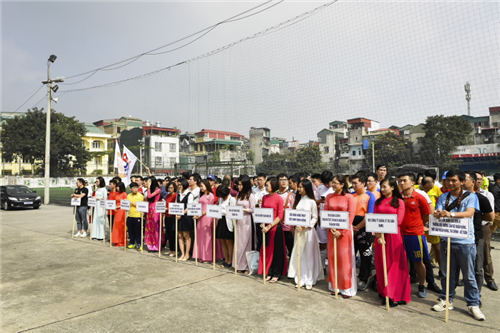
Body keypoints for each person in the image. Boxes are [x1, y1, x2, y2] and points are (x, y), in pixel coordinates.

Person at [432, 169, 485, 321]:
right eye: (448, 180)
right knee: (447, 274)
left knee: (469, 275)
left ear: (462, 181)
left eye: (454, 180)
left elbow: (469, 213)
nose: (450, 183)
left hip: (465, 242)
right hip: (447, 240)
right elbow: (440, 211)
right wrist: (438, 213)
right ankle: (446, 300)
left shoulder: (471, 196)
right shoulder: (444, 196)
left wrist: (451, 214)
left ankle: (473, 304)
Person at [374, 178, 411, 307]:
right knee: (382, 264)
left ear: (393, 187)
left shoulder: (399, 202)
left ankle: (394, 294)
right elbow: (374, 219)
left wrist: (384, 230)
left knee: (394, 265)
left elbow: (399, 221)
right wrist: (378, 235)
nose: (383, 189)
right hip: (380, 237)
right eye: (381, 187)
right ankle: (384, 291)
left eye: (385, 187)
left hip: (394, 237)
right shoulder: (378, 202)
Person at [398, 173, 432, 298]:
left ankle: (422, 285)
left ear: (412, 182)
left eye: (404, 180)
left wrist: (418, 226)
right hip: (401, 234)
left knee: (418, 261)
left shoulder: (420, 197)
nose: (401, 183)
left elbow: (426, 215)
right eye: (400, 181)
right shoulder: (398, 197)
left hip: (416, 235)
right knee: (403, 261)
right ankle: (404, 283)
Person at [287, 179, 324, 290]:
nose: (299, 189)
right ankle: (301, 277)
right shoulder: (297, 201)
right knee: (300, 255)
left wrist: (305, 226)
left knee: (309, 255)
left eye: (301, 187)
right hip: (298, 232)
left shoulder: (311, 202)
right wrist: (295, 226)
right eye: (299, 187)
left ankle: (310, 279)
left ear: (307, 188)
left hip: (308, 232)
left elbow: (315, 218)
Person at [324, 175, 357, 297]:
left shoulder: (349, 197)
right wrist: (331, 227)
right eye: (332, 183)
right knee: (332, 258)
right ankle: (335, 285)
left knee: (344, 259)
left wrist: (341, 231)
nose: (333, 185)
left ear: (342, 184)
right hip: (332, 231)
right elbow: (326, 212)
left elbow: (351, 216)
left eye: (335, 183)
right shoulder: (329, 196)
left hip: (344, 232)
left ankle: (346, 287)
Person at [258, 177, 287, 283]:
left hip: (275, 228)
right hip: (265, 228)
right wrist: (262, 223)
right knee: (267, 250)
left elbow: (280, 216)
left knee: (276, 252)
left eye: (267, 185)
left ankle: (276, 273)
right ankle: (269, 271)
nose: (266, 187)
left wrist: (270, 226)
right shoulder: (264, 197)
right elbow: (262, 212)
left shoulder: (279, 198)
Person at [351, 173, 376, 291]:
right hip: (351, 227)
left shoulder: (370, 196)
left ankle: (364, 278)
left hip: (365, 228)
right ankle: (350, 276)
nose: (353, 185)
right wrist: (352, 227)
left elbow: (369, 215)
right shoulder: (351, 195)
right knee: (351, 253)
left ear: (363, 183)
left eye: (356, 183)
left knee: (365, 255)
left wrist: (358, 227)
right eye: (353, 183)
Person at [234, 177, 256, 273]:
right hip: (239, 221)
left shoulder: (250, 195)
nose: (239, 187)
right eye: (238, 185)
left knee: (247, 243)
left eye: (241, 185)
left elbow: (253, 209)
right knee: (239, 243)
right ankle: (238, 264)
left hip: (247, 220)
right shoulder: (239, 195)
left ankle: (247, 266)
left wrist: (245, 210)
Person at [316, 170, 335, 273]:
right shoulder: (320, 188)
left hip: (333, 219)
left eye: (329, 183)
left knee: (333, 243)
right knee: (322, 243)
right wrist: (320, 201)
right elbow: (316, 202)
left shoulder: (335, 188)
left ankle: (333, 266)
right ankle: (322, 266)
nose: (327, 185)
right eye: (325, 183)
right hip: (322, 218)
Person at [194, 179, 215, 263]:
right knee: (200, 236)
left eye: (202, 186)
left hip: (207, 217)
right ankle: (200, 255)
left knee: (207, 237)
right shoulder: (202, 195)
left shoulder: (211, 195)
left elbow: (210, 208)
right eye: (200, 186)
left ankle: (207, 256)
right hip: (200, 217)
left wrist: (202, 213)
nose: (201, 188)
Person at [217, 185, 236, 267]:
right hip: (221, 221)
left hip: (228, 222)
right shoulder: (220, 199)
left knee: (229, 241)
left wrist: (223, 211)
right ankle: (226, 258)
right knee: (222, 241)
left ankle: (231, 260)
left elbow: (231, 211)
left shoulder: (232, 200)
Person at [277, 173, 295, 256]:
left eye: (285, 180)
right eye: (281, 180)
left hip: (288, 225)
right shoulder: (276, 195)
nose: (283, 182)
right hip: (278, 224)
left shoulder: (291, 195)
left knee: (291, 247)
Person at [144, 176, 163, 252]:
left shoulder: (158, 190)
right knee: (149, 226)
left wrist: (148, 187)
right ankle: (150, 244)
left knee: (155, 227)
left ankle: (157, 245)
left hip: (155, 208)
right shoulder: (149, 190)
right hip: (149, 208)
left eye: (149, 182)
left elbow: (149, 196)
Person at [176, 178, 194, 261]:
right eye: (178, 185)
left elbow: (189, 207)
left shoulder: (189, 195)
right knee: (180, 235)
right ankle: (182, 253)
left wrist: (181, 213)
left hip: (186, 217)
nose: (179, 186)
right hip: (179, 217)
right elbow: (176, 205)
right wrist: (177, 214)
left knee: (187, 236)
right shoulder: (178, 195)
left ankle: (187, 254)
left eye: (180, 185)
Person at [127, 182, 144, 250]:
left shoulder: (140, 196)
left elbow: (141, 206)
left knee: (138, 231)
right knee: (131, 230)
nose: (135, 189)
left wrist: (132, 203)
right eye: (134, 188)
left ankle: (139, 244)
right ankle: (132, 243)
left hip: (138, 215)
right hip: (130, 215)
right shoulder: (128, 195)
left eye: (136, 187)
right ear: (131, 189)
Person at [164, 181, 178, 256]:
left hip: (173, 216)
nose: (170, 189)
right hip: (167, 216)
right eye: (169, 188)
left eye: (171, 187)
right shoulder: (167, 196)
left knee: (173, 233)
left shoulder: (176, 195)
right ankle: (171, 249)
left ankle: (175, 250)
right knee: (168, 233)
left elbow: (176, 205)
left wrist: (167, 208)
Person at [112, 182, 128, 247]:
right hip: (116, 210)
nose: (117, 188)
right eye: (117, 187)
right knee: (116, 225)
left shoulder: (124, 194)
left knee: (121, 225)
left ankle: (122, 241)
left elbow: (125, 203)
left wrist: (118, 207)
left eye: (118, 187)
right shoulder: (116, 194)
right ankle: (116, 240)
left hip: (122, 210)